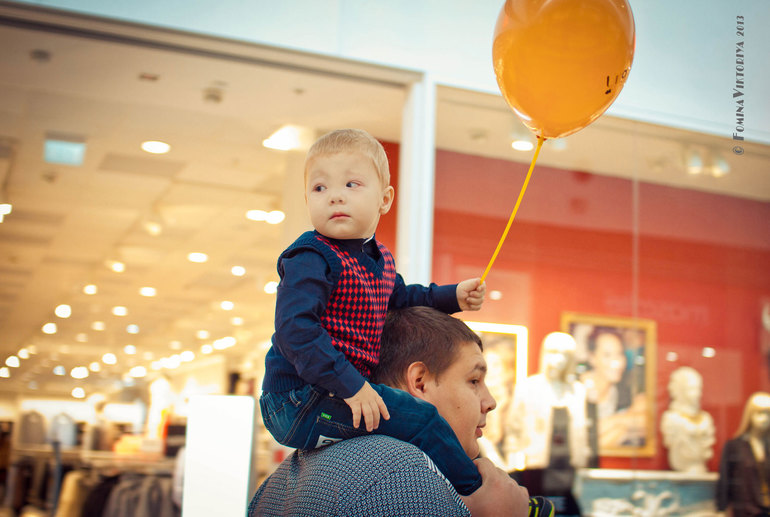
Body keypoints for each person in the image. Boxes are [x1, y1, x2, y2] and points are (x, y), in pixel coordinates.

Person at [260, 128, 488, 497]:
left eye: (351, 184)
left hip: (329, 392)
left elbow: (405, 297)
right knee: (423, 419)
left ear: (385, 199)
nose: (335, 196)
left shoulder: (379, 260)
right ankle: (480, 495)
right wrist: (351, 386)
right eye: (319, 188)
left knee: (404, 423)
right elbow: (295, 330)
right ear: (307, 199)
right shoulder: (311, 256)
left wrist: (454, 296)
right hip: (297, 398)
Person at [250, 307, 544, 517]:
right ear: (419, 382)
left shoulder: (284, 477)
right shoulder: (402, 471)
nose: (490, 401)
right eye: (474, 381)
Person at [504, 332, 589, 516]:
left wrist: (581, 469)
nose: (559, 359)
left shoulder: (577, 391)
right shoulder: (528, 387)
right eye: (554, 352)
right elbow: (513, 428)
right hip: (534, 469)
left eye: (565, 354)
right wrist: (514, 463)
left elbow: (582, 433)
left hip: (567, 470)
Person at [579, 328, 646, 450]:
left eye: (619, 354)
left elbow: (646, 421)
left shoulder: (623, 392)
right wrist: (621, 427)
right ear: (592, 358)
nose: (617, 363)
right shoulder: (578, 390)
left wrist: (614, 422)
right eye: (607, 355)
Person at [716, 391, 770, 516]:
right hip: (744, 512)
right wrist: (721, 509)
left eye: (768, 413)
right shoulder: (734, 447)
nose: (765, 419)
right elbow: (724, 480)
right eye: (760, 413)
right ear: (750, 415)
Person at [660, 366, 715, 473]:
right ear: (680, 391)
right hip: (681, 470)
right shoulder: (671, 419)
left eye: (698, 389)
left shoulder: (706, 419)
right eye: (691, 389)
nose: (697, 394)